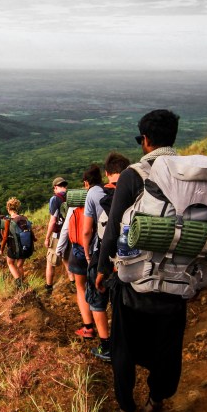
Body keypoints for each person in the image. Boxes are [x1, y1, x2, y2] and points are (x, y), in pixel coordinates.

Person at [95, 109, 186, 412]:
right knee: (168, 347)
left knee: (123, 348)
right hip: (179, 283)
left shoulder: (135, 175)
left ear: (146, 140)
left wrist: (103, 270)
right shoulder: (190, 175)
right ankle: (157, 405)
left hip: (135, 283)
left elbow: (114, 228)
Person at [82, 153, 131, 362]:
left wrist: (87, 253)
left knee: (97, 300)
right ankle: (128, 344)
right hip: (129, 256)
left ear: (107, 173)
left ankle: (106, 346)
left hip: (102, 254)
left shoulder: (95, 193)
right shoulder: (135, 190)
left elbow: (86, 230)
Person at [66, 166, 101, 344]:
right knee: (98, 287)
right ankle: (103, 327)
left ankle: (88, 327)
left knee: (81, 287)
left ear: (86, 183)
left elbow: (74, 229)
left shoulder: (78, 203)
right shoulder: (105, 196)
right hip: (102, 250)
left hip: (80, 249)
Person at [43, 177, 68, 293]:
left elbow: (53, 221)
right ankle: (74, 284)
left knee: (50, 262)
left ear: (55, 187)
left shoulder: (55, 199)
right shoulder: (71, 197)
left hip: (58, 235)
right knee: (67, 261)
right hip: (70, 234)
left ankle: (49, 287)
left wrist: (47, 238)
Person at [0, 197, 31, 289]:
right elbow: (30, 232)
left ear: (8, 208)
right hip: (25, 246)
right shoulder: (24, 218)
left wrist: (1, 249)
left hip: (13, 248)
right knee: (20, 265)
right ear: (17, 208)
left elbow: (5, 237)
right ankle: (24, 283)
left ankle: (18, 281)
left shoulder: (8, 220)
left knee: (10, 263)